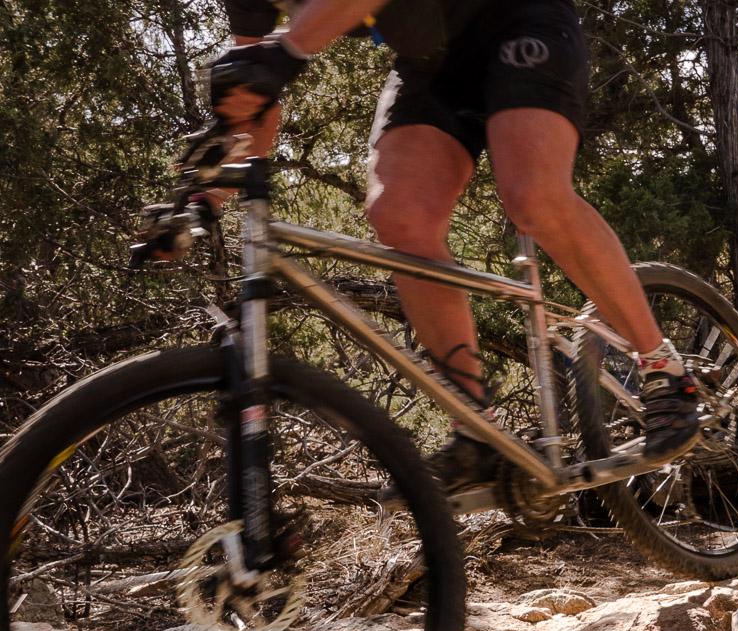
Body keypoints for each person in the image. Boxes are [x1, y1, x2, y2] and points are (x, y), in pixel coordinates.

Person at [210, 0, 700, 492]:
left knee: (533, 197)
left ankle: (663, 367)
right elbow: (251, 103)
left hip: (519, 20)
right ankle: (475, 428)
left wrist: (288, 49)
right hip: (431, 62)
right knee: (399, 217)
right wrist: (204, 192)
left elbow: (280, 55)